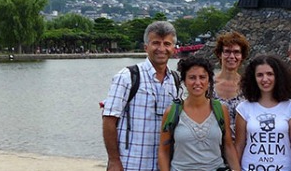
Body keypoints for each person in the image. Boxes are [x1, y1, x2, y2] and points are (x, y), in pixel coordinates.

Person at [102, 21, 181, 171]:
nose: (161, 49)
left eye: (167, 44)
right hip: (130, 163)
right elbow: (109, 120)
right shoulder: (127, 77)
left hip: (163, 165)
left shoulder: (175, 80)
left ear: (173, 48)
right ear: (146, 47)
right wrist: (113, 160)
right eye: (156, 43)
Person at [158, 56, 240, 171]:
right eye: (192, 78)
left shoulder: (220, 110)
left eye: (202, 77)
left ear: (209, 80)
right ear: (184, 82)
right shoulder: (172, 112)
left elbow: (228, 146)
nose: (198, 82)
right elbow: (163, 150)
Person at [236, 55, 291, 171]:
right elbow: (239, 145)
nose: (265, 79)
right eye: (259, 75)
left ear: (278, 76)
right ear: (253, 78)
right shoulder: (243, 108)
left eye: (270, 74)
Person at [213, 31, 250, 137]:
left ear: (242, 56)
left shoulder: (248, 86)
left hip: (242, 145)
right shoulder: (207, 85)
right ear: (220, 54)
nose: (232, 56)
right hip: (213, 147)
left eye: (236, 52)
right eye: (227, 51)